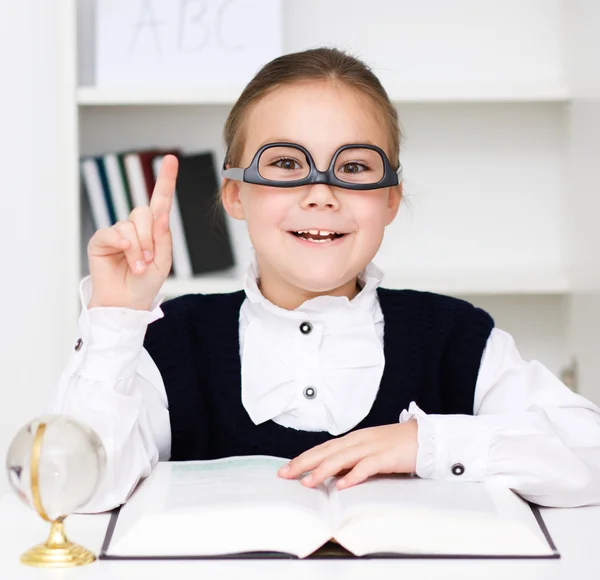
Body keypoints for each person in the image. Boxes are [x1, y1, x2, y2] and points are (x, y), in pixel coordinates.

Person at [51, 47, 600, 513]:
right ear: (236, 195)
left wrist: (425, 443)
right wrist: (116, 320)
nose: (321, 193)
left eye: (355, 167)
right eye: (286, 164)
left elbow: (589, 452)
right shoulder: (168, 339)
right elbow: (77, 485)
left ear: (390, 199)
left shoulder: (458, 338)